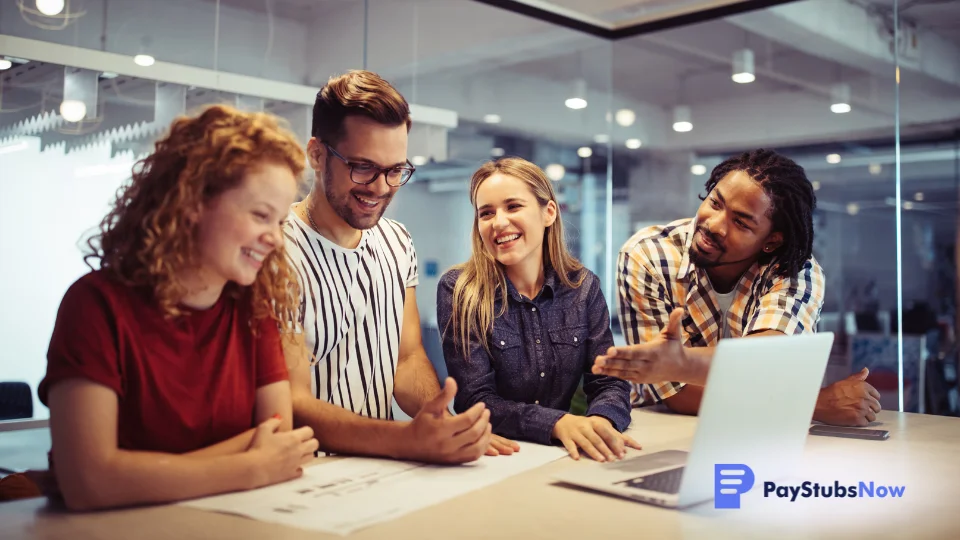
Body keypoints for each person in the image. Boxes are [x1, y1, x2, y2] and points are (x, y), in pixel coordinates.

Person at [39, 105, 319, 511]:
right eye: (261, 215)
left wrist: (128, 475)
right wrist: (249, 467)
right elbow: (88, 483)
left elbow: (278, 441)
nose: (275, 239)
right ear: (192, 200)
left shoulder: (254, 311)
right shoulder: (95, 305)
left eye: (279, 222)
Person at [283, 70, 512, 464]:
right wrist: (405, 439)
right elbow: (294, 402)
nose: (381, 187)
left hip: (379, 468)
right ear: (317, 154)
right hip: (307, 473)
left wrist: (439, 420)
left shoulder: (396, 241)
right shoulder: (275, 250)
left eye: (395, 170)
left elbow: (407, 359)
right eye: (363, 167)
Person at [593, 148, 882, 427]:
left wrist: (679, 363)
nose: (714, 225)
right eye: (715, 203)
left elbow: (771, 360)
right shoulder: (648, 256)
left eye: (741, 222)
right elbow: (676, 395)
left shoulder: (794, 270)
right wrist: (812, 404)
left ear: (772, 240)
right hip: (668, 431)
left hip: (767, 435)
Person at [437, 158, 640, 462]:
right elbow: (474, 400)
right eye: (486, 213)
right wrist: (556, 423)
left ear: (548, 213)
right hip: (494, 458)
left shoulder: (582, 288)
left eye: (513, 206)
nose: (499, 222)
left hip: (562, 455)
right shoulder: (460, 290)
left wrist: (601, 421)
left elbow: (609, 380)